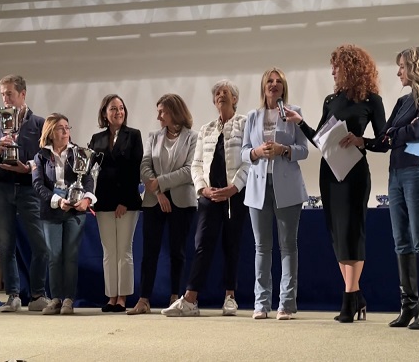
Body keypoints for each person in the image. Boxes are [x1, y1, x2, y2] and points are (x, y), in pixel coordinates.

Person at [285, 45, 386, 322]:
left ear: (351, 68)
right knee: (338, 234)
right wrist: (300, 123)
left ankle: (349, 298)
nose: (333, 72)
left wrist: (361, 140)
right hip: (330, 174)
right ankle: (356, 296)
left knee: (353, 232)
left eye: (337, 67)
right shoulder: (331, 100)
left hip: (354, 174)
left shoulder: (372, 100)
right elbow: (320, 139)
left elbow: (384, 142)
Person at [365, 47, 419, 329]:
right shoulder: (403, 101)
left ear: (415, 67)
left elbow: (418, 131)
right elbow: (383, 139)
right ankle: (409, 305)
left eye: (402, 66)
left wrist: (395, 134)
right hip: (396, 175)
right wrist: (371, 139)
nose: (399, 72)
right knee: (401, 241)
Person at [161, 80, 249, 317]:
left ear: (234, 99)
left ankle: (230, 297)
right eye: (217, 93)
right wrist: (203, 189)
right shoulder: (206, 129)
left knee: (232, 245)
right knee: (202, 245)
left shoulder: (245, 124)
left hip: (235, 195)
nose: (221, 95)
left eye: (225, 92)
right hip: (209, 197)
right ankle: (190, 299)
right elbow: (196, 164)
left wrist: (235, 187)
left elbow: (249, 160)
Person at [241, 67, 309, 320]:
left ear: (283, 87)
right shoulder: (252, 116)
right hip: (258, 187)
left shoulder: (294, 113)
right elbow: (243, 152)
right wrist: (256, 152)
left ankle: (286, 304)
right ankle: (261, 304)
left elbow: (304, 149)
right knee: (261, 247)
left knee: (288, 246)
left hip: (287, 187)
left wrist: (284, 150)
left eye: (278, 81)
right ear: (263, 87)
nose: (274, 84)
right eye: (269, 81)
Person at [0, 74, 49, 313]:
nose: (5, 99)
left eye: (9, 93)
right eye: (2, 94)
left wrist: (28, 167)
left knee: (40, 245)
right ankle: (13, 296)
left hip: (30, 190)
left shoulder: (39, 124)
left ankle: (38, 294)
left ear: (22, 94)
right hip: (1, 189)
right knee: (7, 245)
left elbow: (47, 158)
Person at [128, 94, 197, 315]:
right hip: (153, 200)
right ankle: (144, 300)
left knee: (178, 252)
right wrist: (158, 192)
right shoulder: (153, 137)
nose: (158, 116)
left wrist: (161, 182)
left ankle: (176, 298)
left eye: (162, 112)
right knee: (149, 252)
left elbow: (189, 170)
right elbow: (144, 166)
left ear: (174, 112)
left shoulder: (192, 138)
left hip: (182, 202)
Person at [32, 113, 97, 315]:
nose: (66, 131)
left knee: (70, 256)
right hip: (51, 211)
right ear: (51, 132)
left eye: (67, 128)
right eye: (61, 128)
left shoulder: (79, 152)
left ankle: (69, 299)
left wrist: (86, 200)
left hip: (75, 211)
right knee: (54, 257)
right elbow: (38, 185)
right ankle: (55, 299)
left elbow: (88, 179)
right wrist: (57, 200)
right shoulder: (40, 156)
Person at [89, 94, 143, 312]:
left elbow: (135, 170)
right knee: (109, 252)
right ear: (105, 113)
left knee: (124, 250)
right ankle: (111, 297)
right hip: (103, 201)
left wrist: (125, 201)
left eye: (121, 108)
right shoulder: (97, 138)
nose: (118, 112)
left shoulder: (134, 135)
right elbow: (88, 169)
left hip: (127, 202)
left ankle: (122, 298)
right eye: (113, 108)